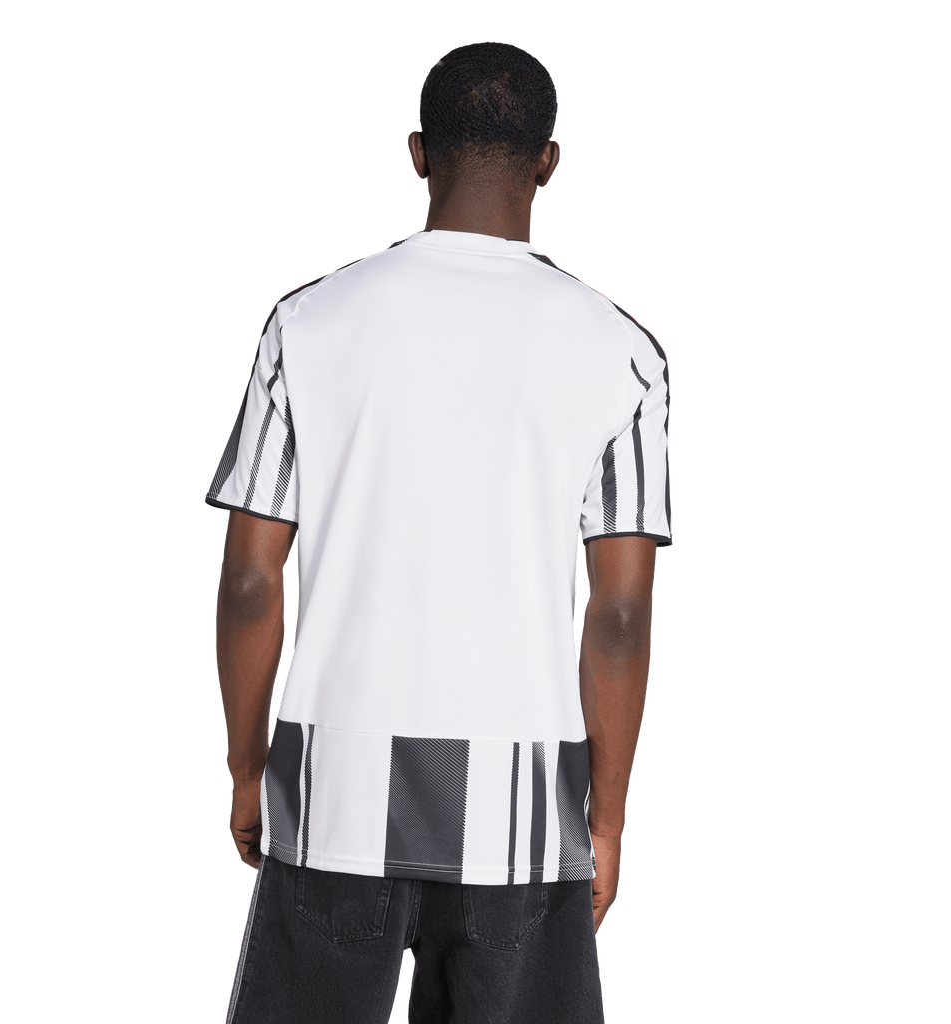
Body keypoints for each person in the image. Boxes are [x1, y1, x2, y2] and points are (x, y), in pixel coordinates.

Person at [205, 40, 672, 1024]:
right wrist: (606, 821)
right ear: (549, 162)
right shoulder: (621, 352)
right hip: (525, 812)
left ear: (417, 153)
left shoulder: (306, 324)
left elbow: (249, 581)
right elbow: (620, 613)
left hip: (333, 794)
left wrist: (249, 772)